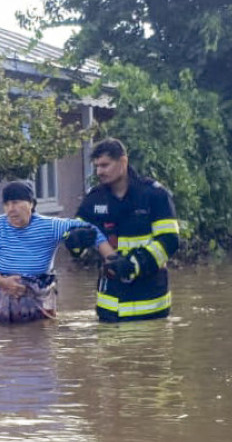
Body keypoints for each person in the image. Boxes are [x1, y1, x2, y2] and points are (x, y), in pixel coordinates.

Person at [70, 138, 180, 322]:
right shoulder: (94, 199)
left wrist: (135, 263)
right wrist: (74, 240)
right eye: (97, 166)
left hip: (150, 308)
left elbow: (169, 240)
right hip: (110, 310)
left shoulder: (154, 195)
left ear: (123, 162)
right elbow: (73, 240)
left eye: (105, 165)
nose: (99, 172)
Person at [0, 180, 113, 323]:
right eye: (6, 204)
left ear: (31, 204)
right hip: (0, 298)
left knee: (40, 335)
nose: (10, 209)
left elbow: (92, 230)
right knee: (2, 337)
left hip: (37, 298)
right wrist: (1, 281)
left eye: (15, 202)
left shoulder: (50, 226)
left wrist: (110, 258)